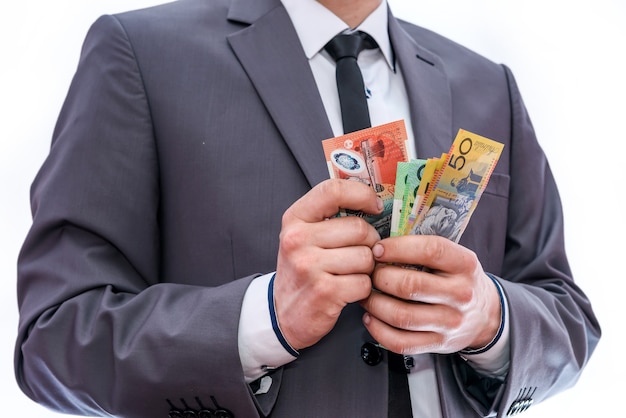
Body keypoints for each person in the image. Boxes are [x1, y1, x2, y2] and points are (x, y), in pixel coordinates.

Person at [14, 0, 601, 417]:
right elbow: (54, 337)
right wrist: (264, 318)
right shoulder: (140, 54)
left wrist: (487, 319)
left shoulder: (488, 85)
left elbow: (567, 319)